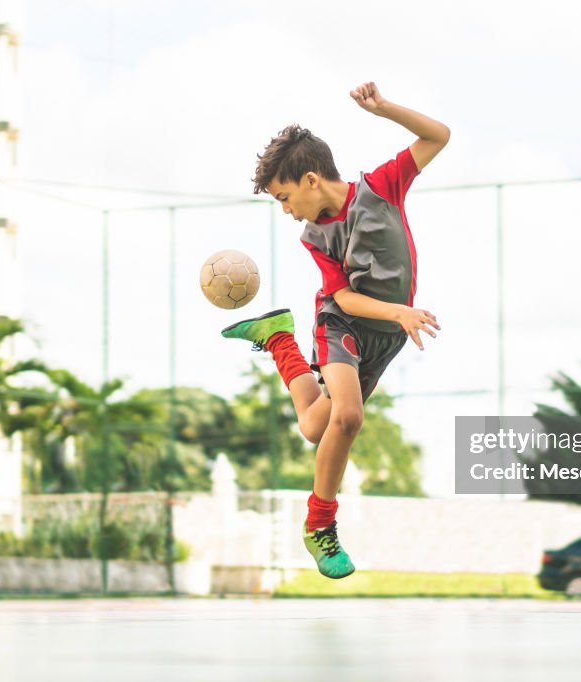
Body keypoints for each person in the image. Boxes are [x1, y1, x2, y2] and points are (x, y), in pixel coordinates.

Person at [221, 82, 449, 579]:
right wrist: (399, 313)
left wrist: (384, 109)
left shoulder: (383, 187)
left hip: (383, 336)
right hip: (341, 321)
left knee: (313, 427)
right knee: (347, 417)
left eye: (284, 198)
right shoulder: (314, 236)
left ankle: (278, 338)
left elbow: (438, 136)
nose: (286, 210)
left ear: (309, 180)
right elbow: (342, 296)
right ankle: (320, 524)